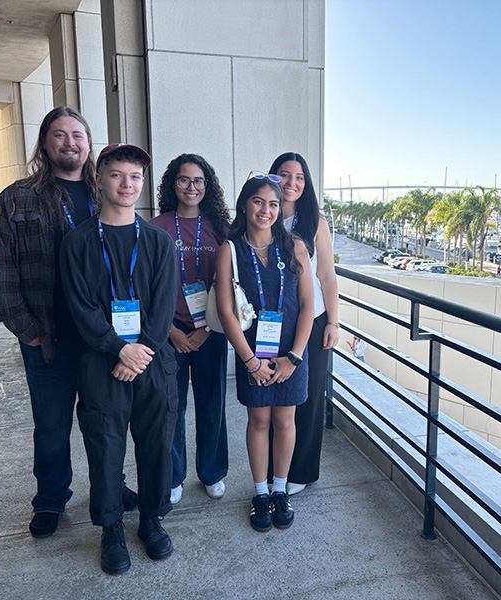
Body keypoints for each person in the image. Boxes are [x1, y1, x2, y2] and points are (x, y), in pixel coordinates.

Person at [0, 107, 138, 540]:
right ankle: (51, 498)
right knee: (51, 426)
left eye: (78, 135)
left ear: (89, 144)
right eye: (60, 135)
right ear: (45, 143)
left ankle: (111, 486)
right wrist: (26, 330)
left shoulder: (104, 193)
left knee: (105, 421)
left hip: (101, 339)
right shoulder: (16, 199)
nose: (70, 142)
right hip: (47, 337)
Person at [60, 143, 178, 574]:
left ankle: (151, 519)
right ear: (100, 179)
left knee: (155, 445)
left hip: (151, 362)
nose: (127, 184)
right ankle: (111, 527)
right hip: (101, 362)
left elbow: (163, 308)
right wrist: (118, 348)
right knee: (105, 447)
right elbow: (82, 308)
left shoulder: (159, 242)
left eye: (135, 177)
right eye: (117, 175)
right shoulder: (78, 242)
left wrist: (138, 352)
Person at [215, 173, 313, 532]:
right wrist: (250, 361)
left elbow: (306, 306)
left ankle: (279, 489)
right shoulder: (231, 249)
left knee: (285, 421)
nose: (266, 210)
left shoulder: (295, 247)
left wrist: (295, 357)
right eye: (258, 201)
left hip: (291, 354)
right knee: (259, 421)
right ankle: (259, 493)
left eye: (273, 204)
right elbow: (226, 311)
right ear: (245, 204)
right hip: (251, 354)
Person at [150, 154, 231, 505]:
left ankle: (212, 472)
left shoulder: (220, 228)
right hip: (170, 332)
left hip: (212, 330)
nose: (191, 187)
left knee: (212, 403)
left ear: (207, 186)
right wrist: (169, 331)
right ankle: (174, 475)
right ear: (172, 185)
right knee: (172, 407)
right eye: (184, 180)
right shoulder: (156, 227)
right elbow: (146, 286)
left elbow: (231, 284)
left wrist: (209, 329)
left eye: (198, 181)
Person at [267, 152, 340, 495]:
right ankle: (274, 467)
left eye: (299, 177)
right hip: (274, 320)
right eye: (284, 175)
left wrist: (334, 322)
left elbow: (326, 274)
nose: (291, 183)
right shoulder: (261, 212)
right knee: (273, 395)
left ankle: (301, 471)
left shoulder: (315, 222)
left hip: (313, 318)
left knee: (309, 397)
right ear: (272, 177)